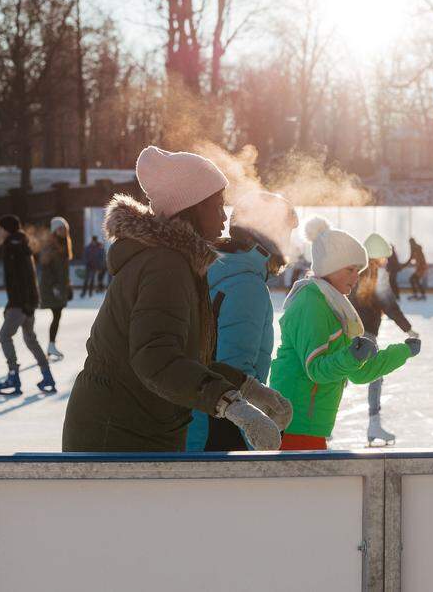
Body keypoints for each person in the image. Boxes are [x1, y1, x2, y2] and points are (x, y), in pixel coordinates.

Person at [63, 146, 287, 452]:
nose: (224, 217)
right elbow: (156, 358)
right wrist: (231, 404)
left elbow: (189, 360)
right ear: (191, 207)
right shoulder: (164, 265)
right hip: (117, 435)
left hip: (140, 427)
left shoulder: (179, 262)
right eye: (217, 205)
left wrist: (250, 390)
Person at [269, 217, 420, 451]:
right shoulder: (312, 303)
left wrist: (402, 352)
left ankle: (374, 423)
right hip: (294, 423)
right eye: (350, 269)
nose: (356, 277)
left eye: (358, 270)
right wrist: (352, 356)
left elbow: (359, 373)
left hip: (311, 425)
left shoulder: (334, 305)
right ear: (330, 267)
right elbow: (317, 369)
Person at [187, 191, 298, 452]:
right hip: (219, 431)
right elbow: (233, 370)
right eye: (286, 234)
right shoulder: (246, 284)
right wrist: (256, 426)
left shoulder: (214, 268)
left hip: (195, 424)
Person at [352, 233, 419, 446]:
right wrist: (408, 329)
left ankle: (324, 425)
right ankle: (374, 423)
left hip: (348, 332)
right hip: (367, 334)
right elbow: (389, 304)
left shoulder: (353, 272)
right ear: (377, 257)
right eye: (385, 258)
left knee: (339, 375)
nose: (387, 262)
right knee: (375, 375)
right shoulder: (377, 274)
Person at [0, 215, 55, 396]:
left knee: (4, 336)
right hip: (27, 301)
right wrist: (30, 302)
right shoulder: (21, 245)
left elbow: (19, 279)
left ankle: (13, 376)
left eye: (0, 228)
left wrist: (18, 304)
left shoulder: (12, 247)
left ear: (7, 229)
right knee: (30, 339)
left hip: (21, 303)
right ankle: (47, 376)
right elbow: (27, 276)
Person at [39, 216, 73, 362]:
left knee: (57, 316)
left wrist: (67, 285)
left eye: (65, 228)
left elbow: (63, 271)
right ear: (54, 230)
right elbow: (46, 270)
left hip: (60, 286)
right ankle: (51, 345)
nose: (63, 231)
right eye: (60, 228)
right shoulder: (51, 247)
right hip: (52, 288)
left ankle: (51, 345)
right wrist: (54, 287)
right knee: (56, 315)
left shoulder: (63, 245)